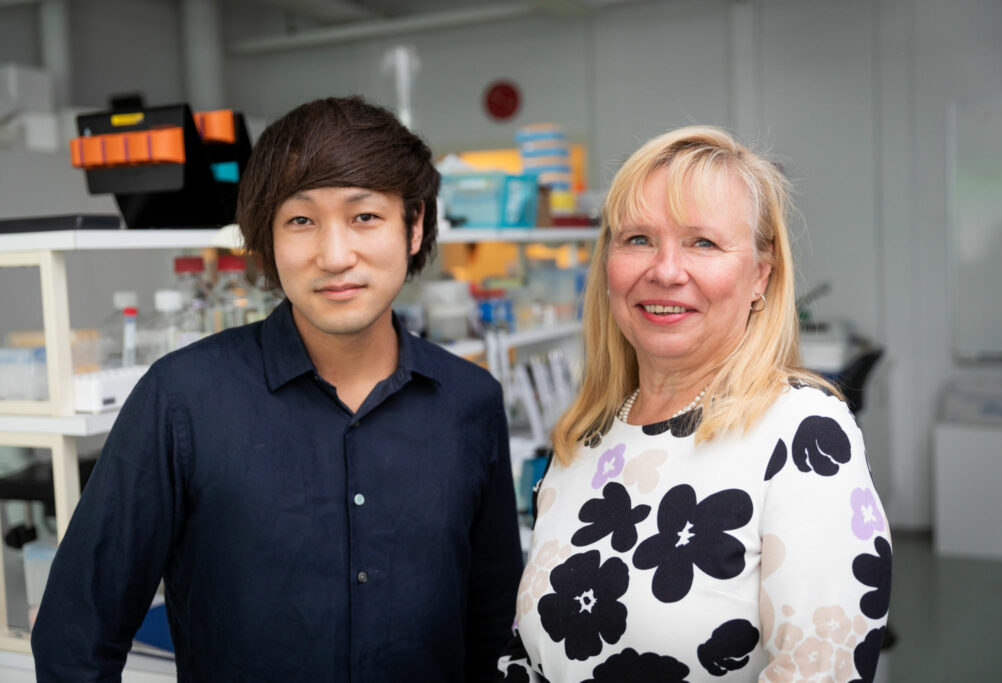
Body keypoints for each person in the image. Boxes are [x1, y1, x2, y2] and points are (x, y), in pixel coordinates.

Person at [32, 96, 523, 682]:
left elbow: (493, 626)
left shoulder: (470, 401)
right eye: (301, 220)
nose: (335, 256)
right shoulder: (182, 399)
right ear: (265, 239)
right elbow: (76, 635)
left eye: (364, 216)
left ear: (414, 226)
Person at [499, 126, 891, 682]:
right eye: (637, 239)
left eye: (702, 242)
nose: (664, 270)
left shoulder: (801, 433)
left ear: (760, 273)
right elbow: (525, 656)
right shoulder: (582, 441)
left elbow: (820, 671)